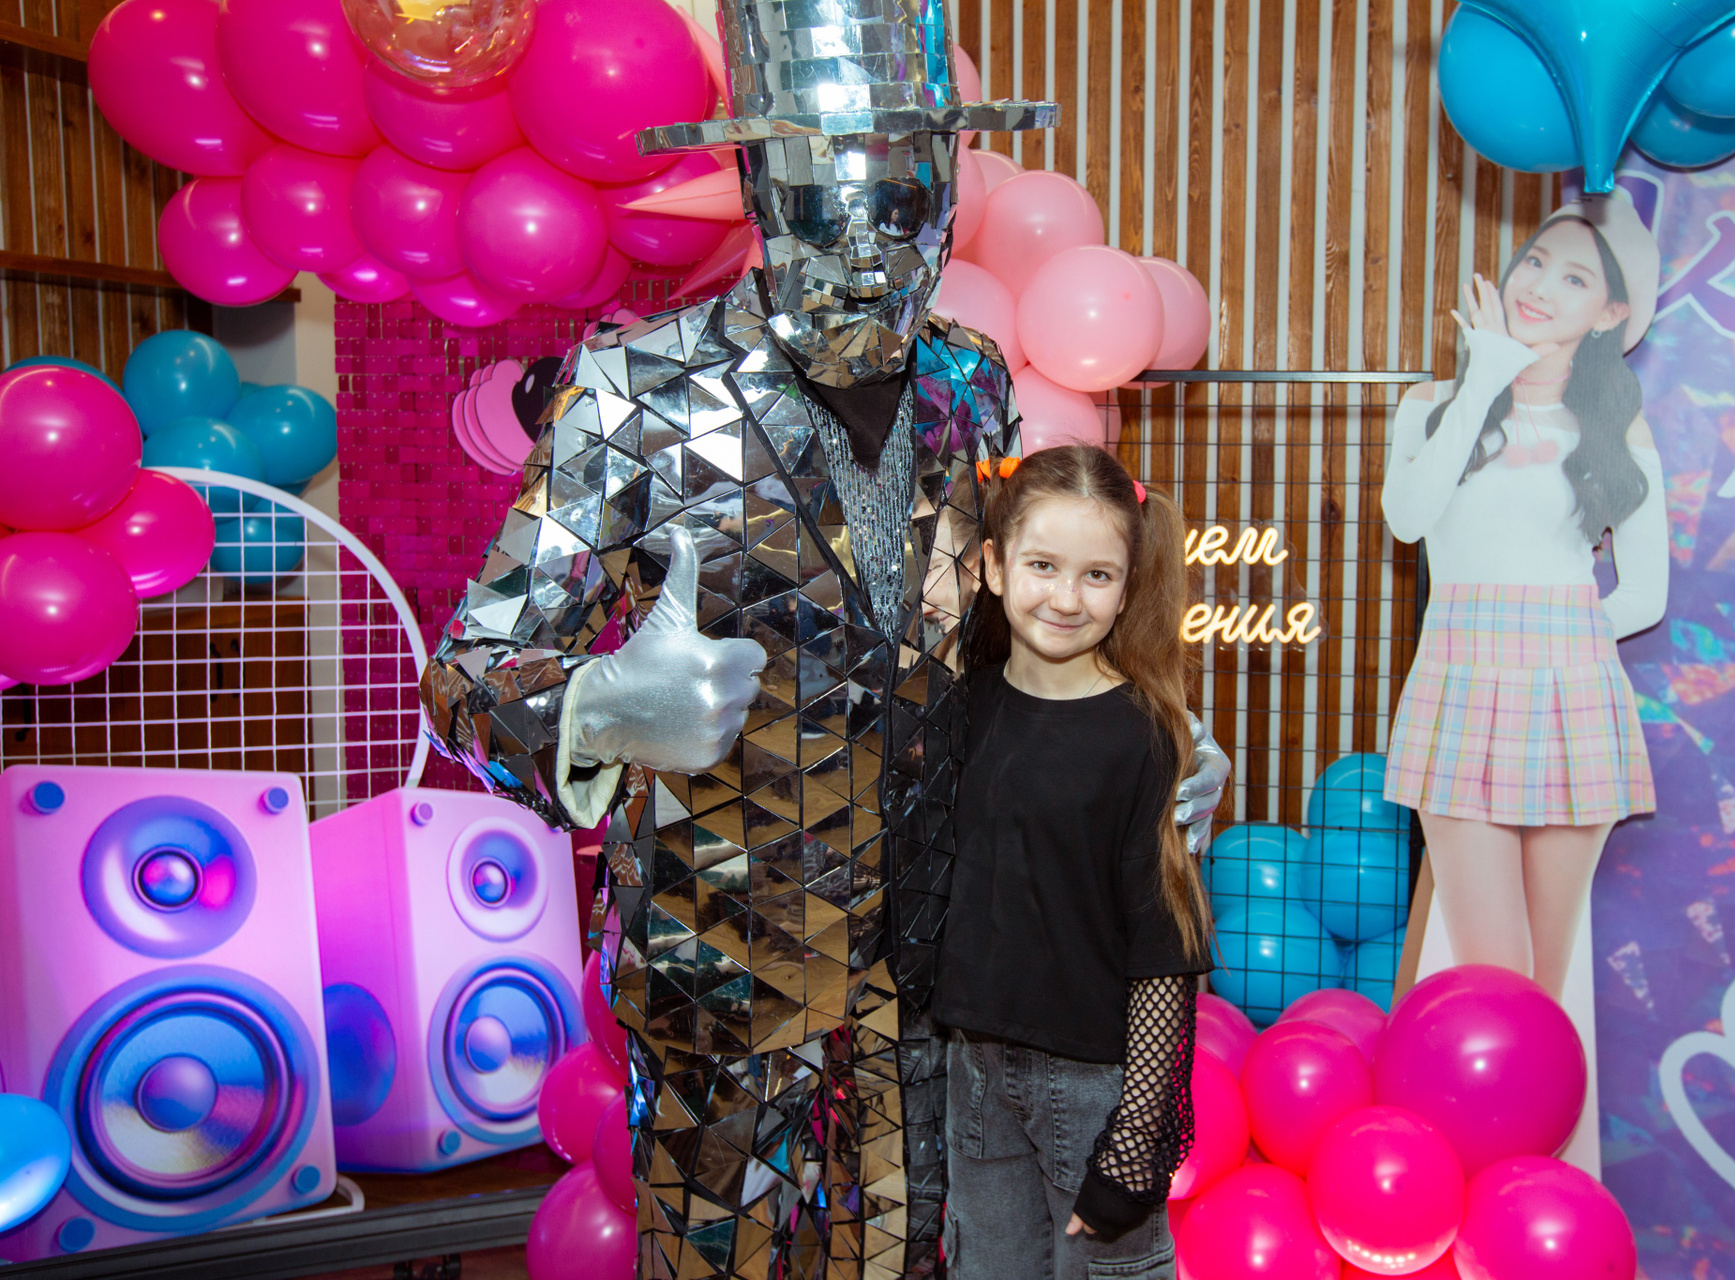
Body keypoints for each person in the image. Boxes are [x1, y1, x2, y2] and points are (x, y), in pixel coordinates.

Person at [417, 3, 1229, 1276]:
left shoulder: (970, 382)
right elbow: (470, 668)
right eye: (820, 200)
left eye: (901, 202)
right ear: (756, 185)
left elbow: (987, 637)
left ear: (948, 185)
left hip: (940, 981)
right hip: (721, 979)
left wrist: (1131, 730)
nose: (863, 245)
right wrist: (594, 707)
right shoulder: (636, 391)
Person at [1380, 191, 1669, 1004]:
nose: (1539, 285)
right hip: (1459, 689)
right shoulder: (1432, 406)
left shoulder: (1615, 430)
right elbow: (1407, 520)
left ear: (1610, 313)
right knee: (1494, 977)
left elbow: (1645, 594)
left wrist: (1556, 638)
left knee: (1547, 982)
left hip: (1571, 697)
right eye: (1535, 261)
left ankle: (1542, 1100)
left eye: (1575, 279)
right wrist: (1483, 379)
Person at [934, 445, 1211, 1280]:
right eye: (1043, 566)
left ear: (1128, 587)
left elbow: (1164, 944)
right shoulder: (963, 707)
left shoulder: (1143, 735)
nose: (1065, 597)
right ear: (994, 566)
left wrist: (1134, 1143)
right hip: (973, 1072)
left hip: (1094, 1086)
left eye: (1097, 575)